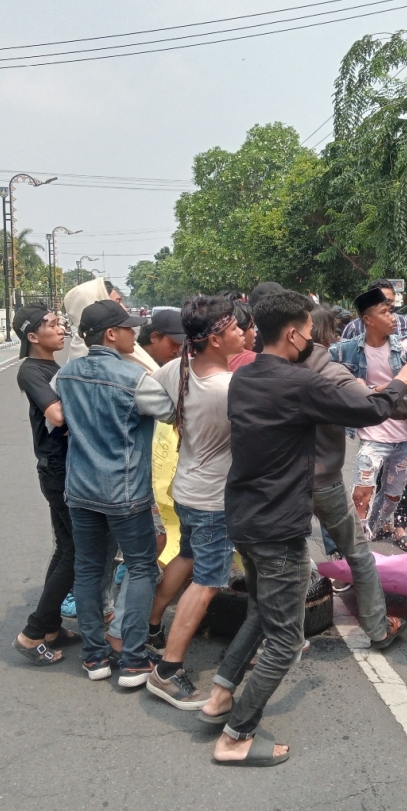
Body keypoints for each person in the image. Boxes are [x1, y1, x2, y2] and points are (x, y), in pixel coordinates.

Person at [200, 290, 407, 766]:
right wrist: (404, 383)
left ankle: (221, 695)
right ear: (292, 333)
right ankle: (236, 736)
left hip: (244, 513)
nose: (312, 337)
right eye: (308, 330)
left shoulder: (244, 376)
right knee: (286, 638)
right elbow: (367, 410)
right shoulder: (297, 382)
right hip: (277, 522)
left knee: (264, 612)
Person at [53, 300, 177, 684]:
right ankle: (135, 659)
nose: (133, 333)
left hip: (81, 489)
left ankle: (95, 658)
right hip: (124, 491)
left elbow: (58, 414)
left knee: (89, 569)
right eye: (127, 327)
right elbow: (171, 411)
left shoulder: (66, 376)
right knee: (141, 566)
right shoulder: (133, 379)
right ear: (111, 334)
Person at [144, 295, 244, 709]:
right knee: (207, 581)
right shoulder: (227, 388)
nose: (242, 331)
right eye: (236, 326)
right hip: (213, 499)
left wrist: (173, 417)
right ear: (217, 338)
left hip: (187, 489)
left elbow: (145, 399)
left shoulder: (177, 368)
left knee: (185, 556)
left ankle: (149, 627)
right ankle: (167, 671)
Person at [305, 305, 407, 643]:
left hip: (277, 480)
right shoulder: (330, 366)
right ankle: (378, 628)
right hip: (321, 477)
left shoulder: (254, 370)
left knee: (289, 557)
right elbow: (373, 403)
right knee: (358, 551)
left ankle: (278, 636)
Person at [330, 286, 407, 552]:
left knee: (393, 497)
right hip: (372, 434)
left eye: (392, 311)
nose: (393, 317)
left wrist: (376, 390)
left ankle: (375, 529)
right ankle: (355, 548)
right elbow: (321, 368)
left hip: (405, 435)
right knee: (362, 493)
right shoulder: (345, 350)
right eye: (385, 312)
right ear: (367, 320)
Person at [11, 304, 80, 665]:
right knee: (77, 550)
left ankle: (51, 625)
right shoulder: (31, 370)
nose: (61, 329)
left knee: (65, 547)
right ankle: (32, 633)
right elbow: (56, 414)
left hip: (65, 465)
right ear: (33, 336)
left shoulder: (52, 367)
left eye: (60, 323)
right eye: (52, 325)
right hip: (58, 470)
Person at [341, 279, 407, 340]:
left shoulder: (406, 323)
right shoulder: (353, 327)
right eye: (381, 302)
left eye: (389, 301)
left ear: (394, 299)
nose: (386, 305)